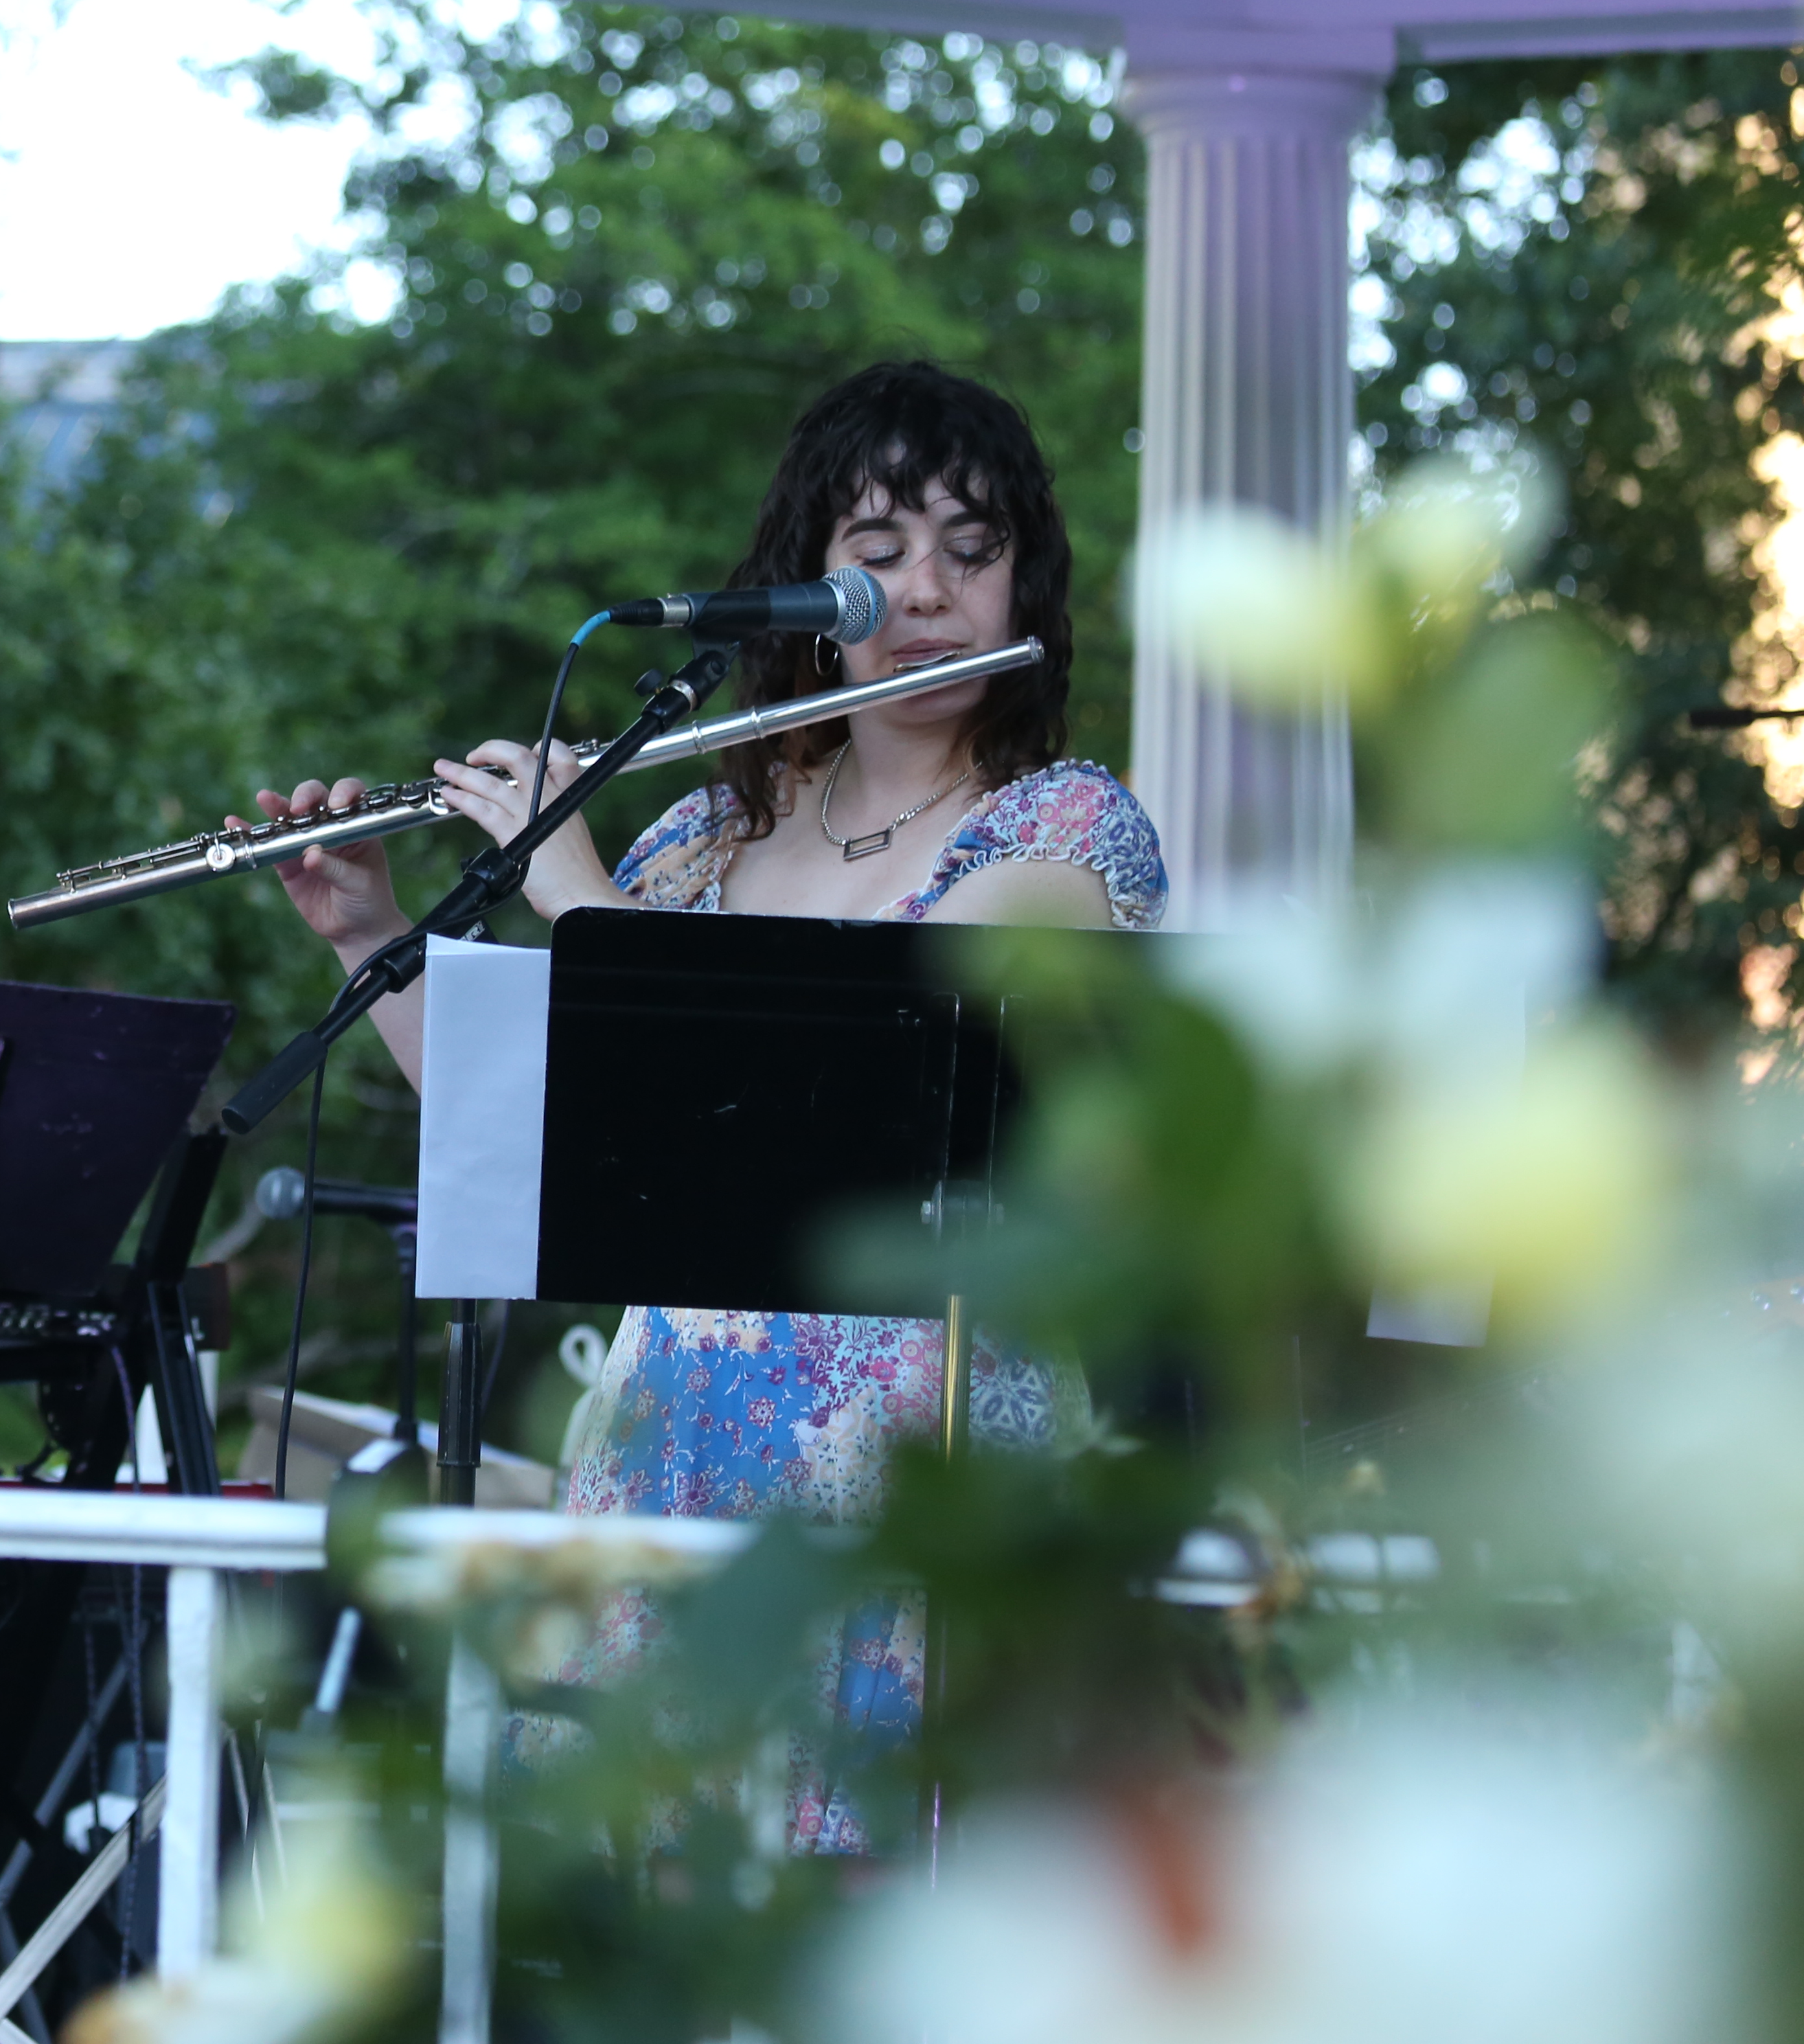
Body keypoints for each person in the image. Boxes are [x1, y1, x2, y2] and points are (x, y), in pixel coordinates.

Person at [251, 359, 1166, 1848]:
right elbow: (538, 1123)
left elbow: (829, 1072)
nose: (925, 591)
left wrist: (582, 899)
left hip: (922, 1488)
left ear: (1027, 590)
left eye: (972, 553)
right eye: (876, 556)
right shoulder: (700, 833)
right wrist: (372, 931)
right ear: (806, 586)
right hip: (673, 1465)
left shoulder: (1065, 828)